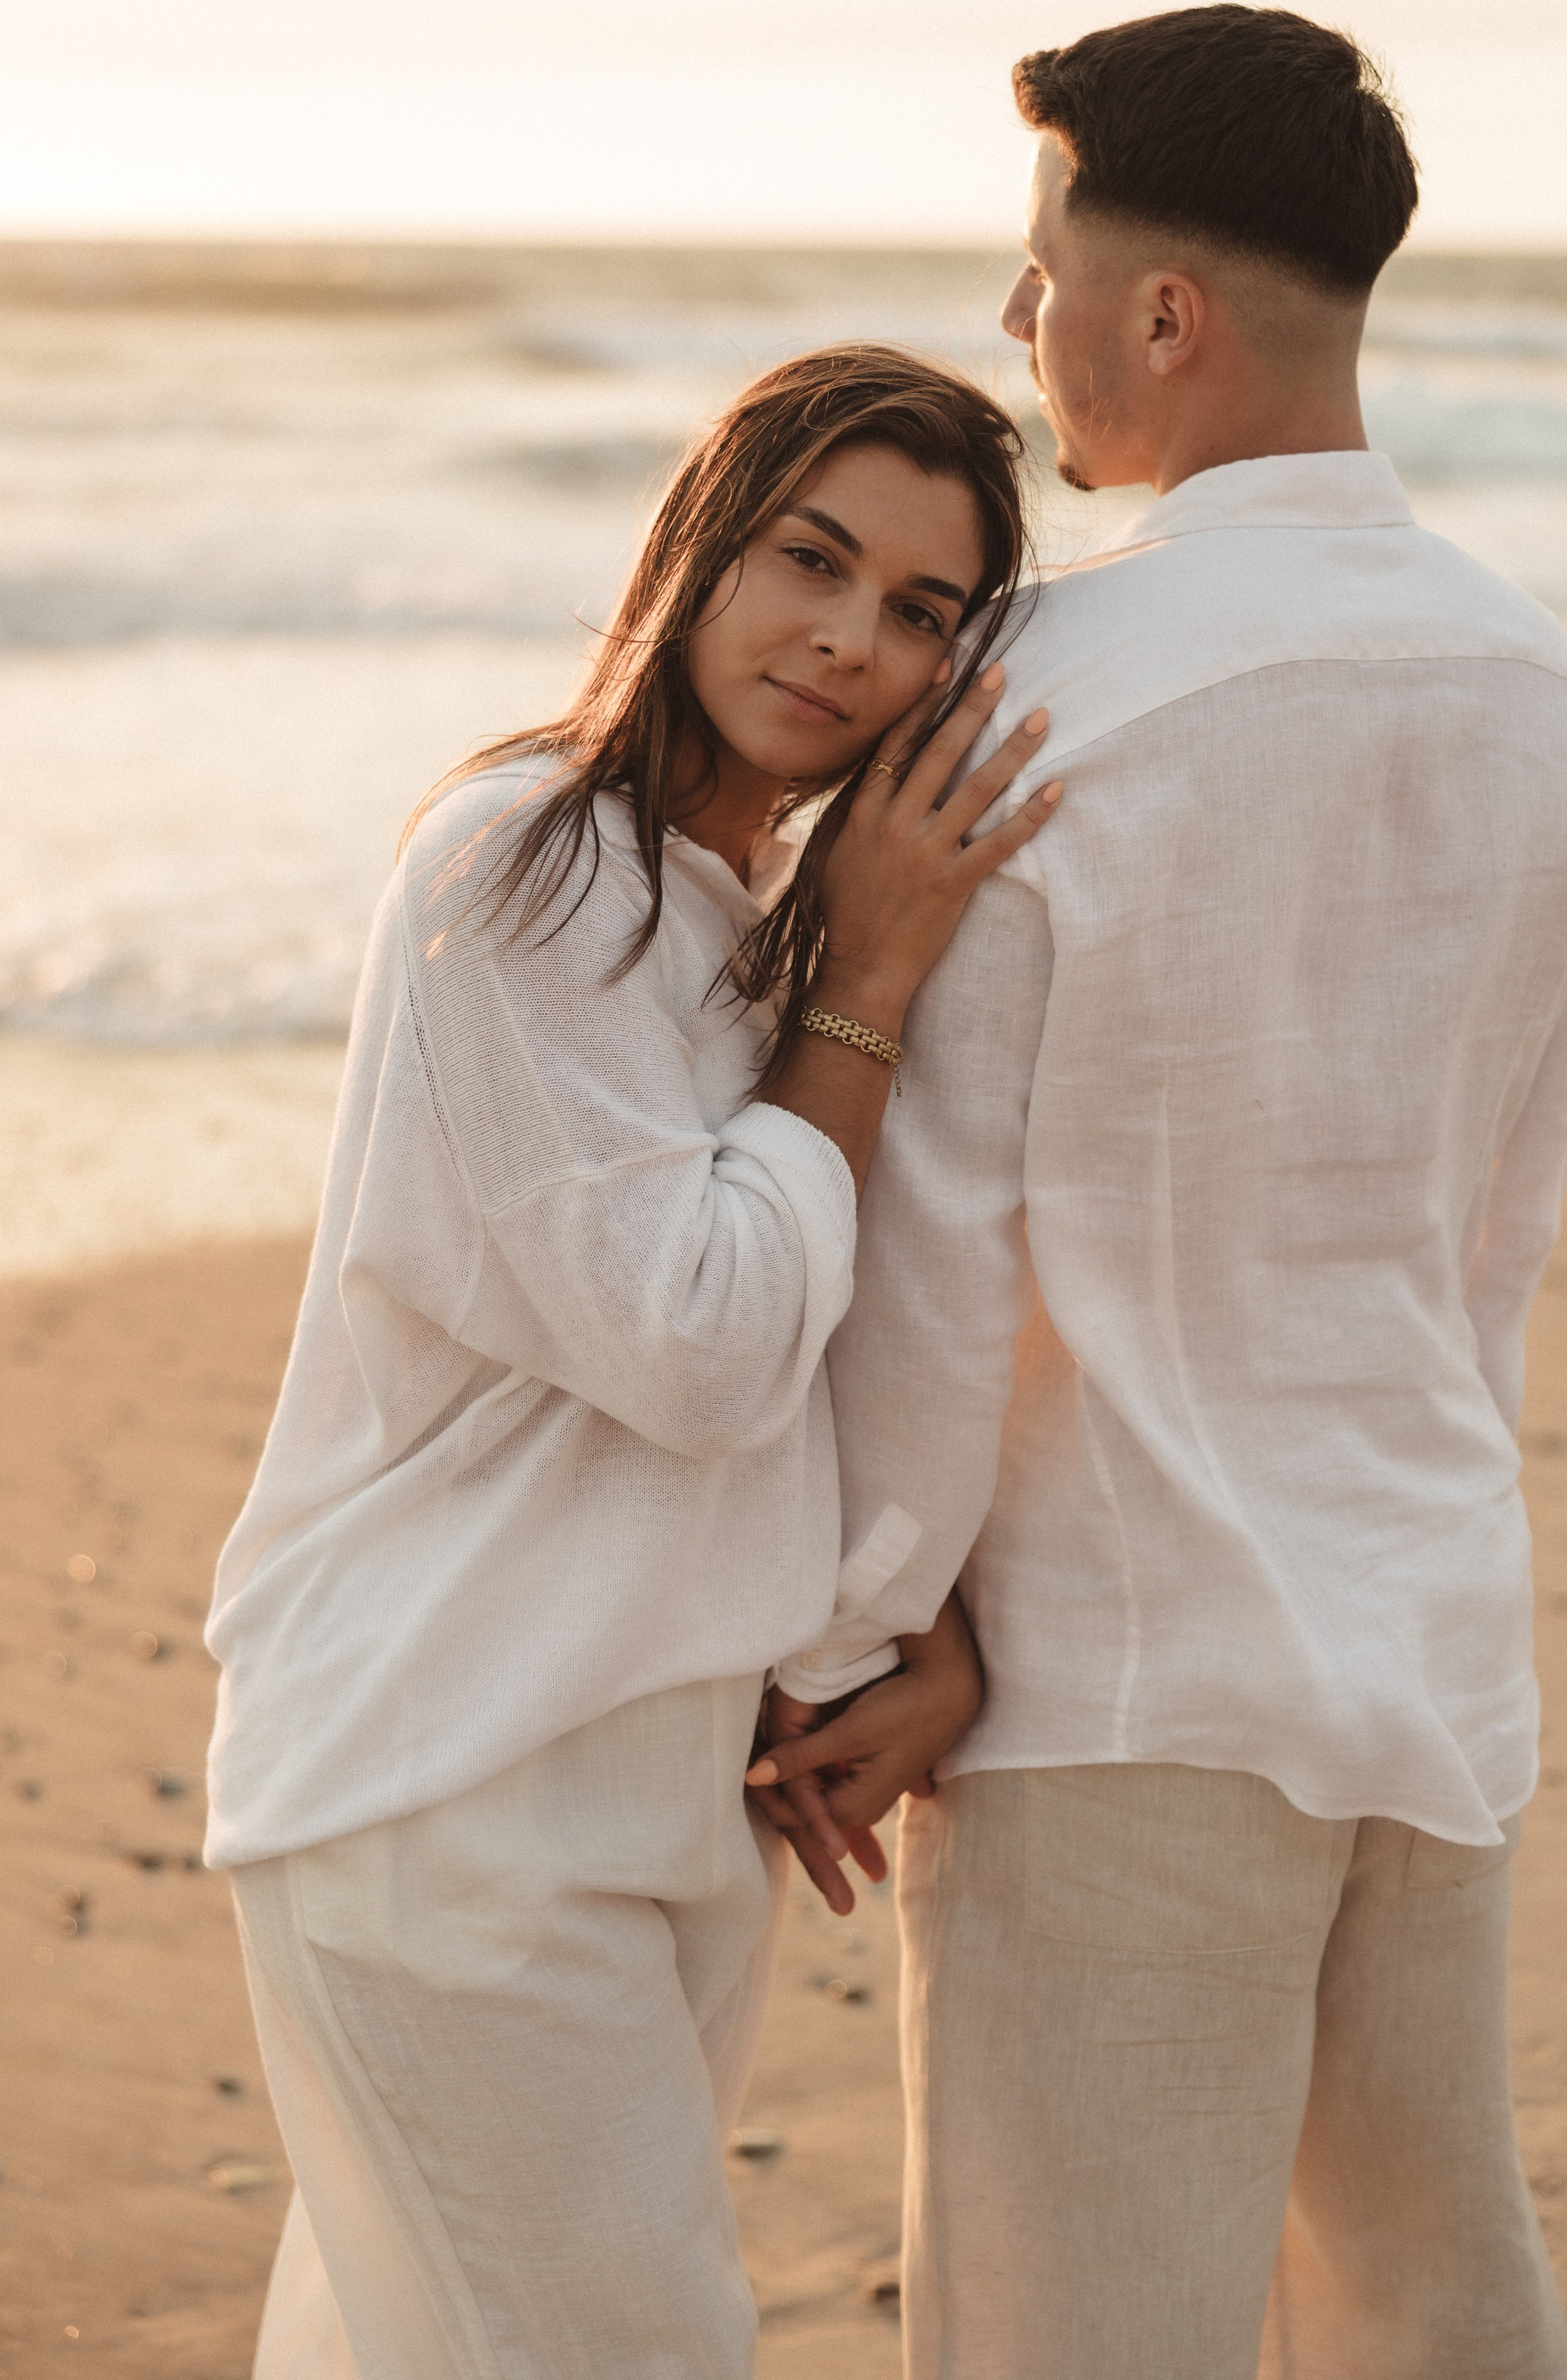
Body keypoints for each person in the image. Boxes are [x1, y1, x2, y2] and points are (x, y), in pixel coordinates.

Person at [747, 8, 1567, 2379]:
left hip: (1117, 1670)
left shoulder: (1038, 692)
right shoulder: (1555, 701)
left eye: (1041, 264)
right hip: (1428, 1627)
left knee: (1077, 2334)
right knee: (1431, 2304)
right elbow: (1495, 1245)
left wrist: (857, 1631)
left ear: (1166, 312)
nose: (1013, 319)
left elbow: (940, 1252)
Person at [202, 344, 1054, 2380]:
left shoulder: (733, 912)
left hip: (646, 1780)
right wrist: (867, 990)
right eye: (811, 560)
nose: (850, 642)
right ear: (701, 548)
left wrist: (890, 1632)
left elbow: (789, 1366)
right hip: (452, 1781)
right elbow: (699, 1341)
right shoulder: (528, 869)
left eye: (922, 612)